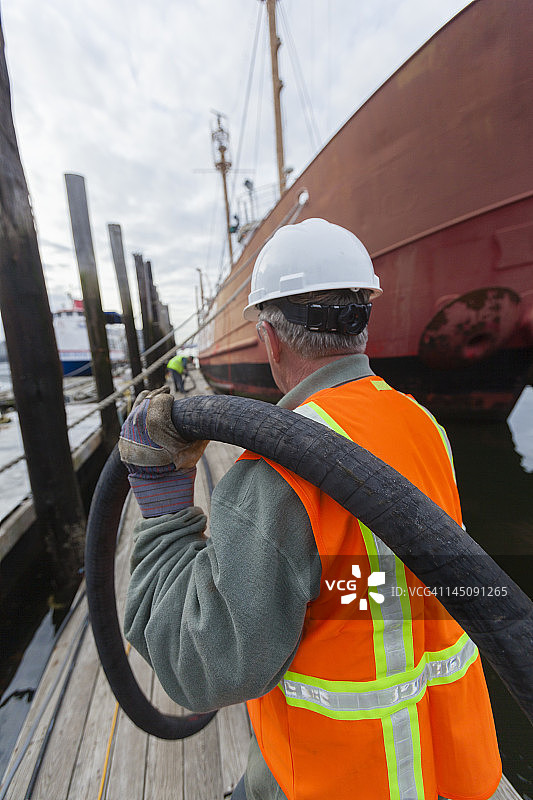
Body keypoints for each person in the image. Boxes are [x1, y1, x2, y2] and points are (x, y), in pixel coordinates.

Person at [119, 219, 501, 800]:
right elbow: (378, 584)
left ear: (269, 340)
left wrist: (166, 512)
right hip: (445, 769)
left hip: (338, 781)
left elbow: (201, 665)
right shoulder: (425, 427)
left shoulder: (273, 474)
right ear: (364, 322)